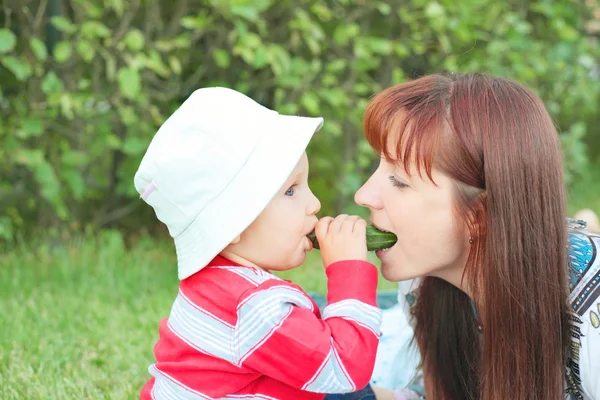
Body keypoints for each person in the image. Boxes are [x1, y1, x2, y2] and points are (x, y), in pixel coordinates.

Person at [327, 73, 600, 400]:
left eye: (399, 181)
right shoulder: (421, 278)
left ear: (479, 215)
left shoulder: (590, 333)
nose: (363, 195)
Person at [134, 87, 382, 399]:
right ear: (231, 224)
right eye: (291, 190)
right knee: (351, 391)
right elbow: (347, 370)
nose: (315, 204)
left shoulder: (209, 285)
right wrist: (349, 272)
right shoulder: (257, 308)